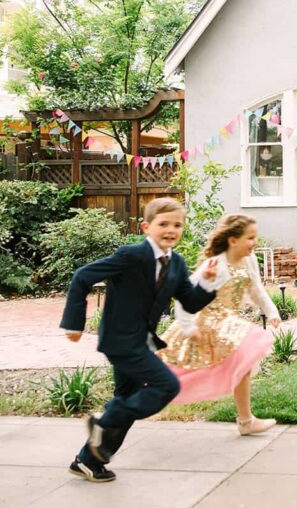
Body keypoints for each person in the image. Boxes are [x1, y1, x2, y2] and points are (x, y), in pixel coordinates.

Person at [61, 197, 218, 483]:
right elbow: (82, 277)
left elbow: (191, 302)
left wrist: (206, 281)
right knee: (166, 385)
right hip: (121, 340)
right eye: (163, 224)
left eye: (177, 225)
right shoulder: (131, 255)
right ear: (147, 227)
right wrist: (74, 324)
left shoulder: (177, 263)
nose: (171, 229)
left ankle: (87, 461)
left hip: (142, 341)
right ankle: (104, 420)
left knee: (128, 400)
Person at [159, 213, 281, 435]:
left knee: (243, 364)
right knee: (171, 377)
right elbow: (185, 296)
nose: (255, 243)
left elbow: (256, 289)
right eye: (250, 238)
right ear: (233, 240)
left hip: (228, 323)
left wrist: (271, 311)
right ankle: (124, 407)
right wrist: (188, 327)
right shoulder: (215, 264)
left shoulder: (249, 260)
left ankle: (246, 421)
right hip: (208, 322)